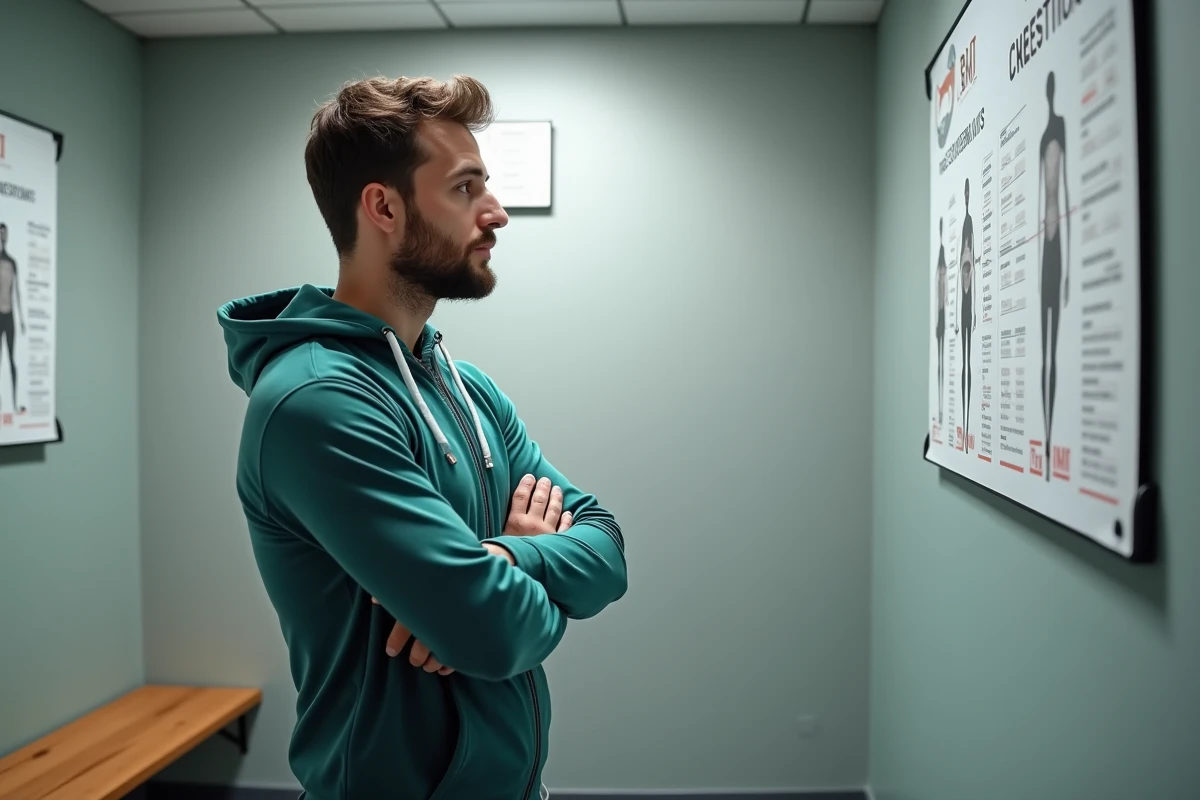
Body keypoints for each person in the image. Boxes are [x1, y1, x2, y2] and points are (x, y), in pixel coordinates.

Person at [216, 75, 628, 800]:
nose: (496, 213)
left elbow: (606, 550)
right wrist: (497, 592)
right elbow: (496, 632)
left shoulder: (467, 389)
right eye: (466, 189)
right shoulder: (319, 403)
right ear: (384, 206)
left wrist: (503, 556)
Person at [1038, 70, 1070, 480]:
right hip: (1043, 250)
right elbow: (1038, 200)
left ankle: (1048, 444)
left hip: (1059, 244)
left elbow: (1067, 194)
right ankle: (1044, 443)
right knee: (1043, 352)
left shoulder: (1060, 127)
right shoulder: (1043, 136)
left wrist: (1071, 268)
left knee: (1056, 351)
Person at [955, 179, 977, 453]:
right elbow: (963, 264)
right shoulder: (964, 226)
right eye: (966, 192)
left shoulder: (970, 225)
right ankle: (963, 423)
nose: (968, 196)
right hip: (963, 303)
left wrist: (975, 312)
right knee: (963, 363)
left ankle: (968, 423)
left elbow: (973, 265)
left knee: (969, 363)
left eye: (969, 192)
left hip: (968, 303)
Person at [0, 223, 26, 415]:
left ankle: (15, 404)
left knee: (11, 358)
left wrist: (22, 318)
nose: (3, 236)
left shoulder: (12, 262)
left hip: (10, 316)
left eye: (4, 233)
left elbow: (16, 292)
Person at [934, 216, 947, 428]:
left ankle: (943, 410)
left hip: (945, 316)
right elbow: (938, 297)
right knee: (940, 362)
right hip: (940, 318)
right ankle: (941, 410)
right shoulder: (939, 263)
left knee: (943, 362)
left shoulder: (942, 261)